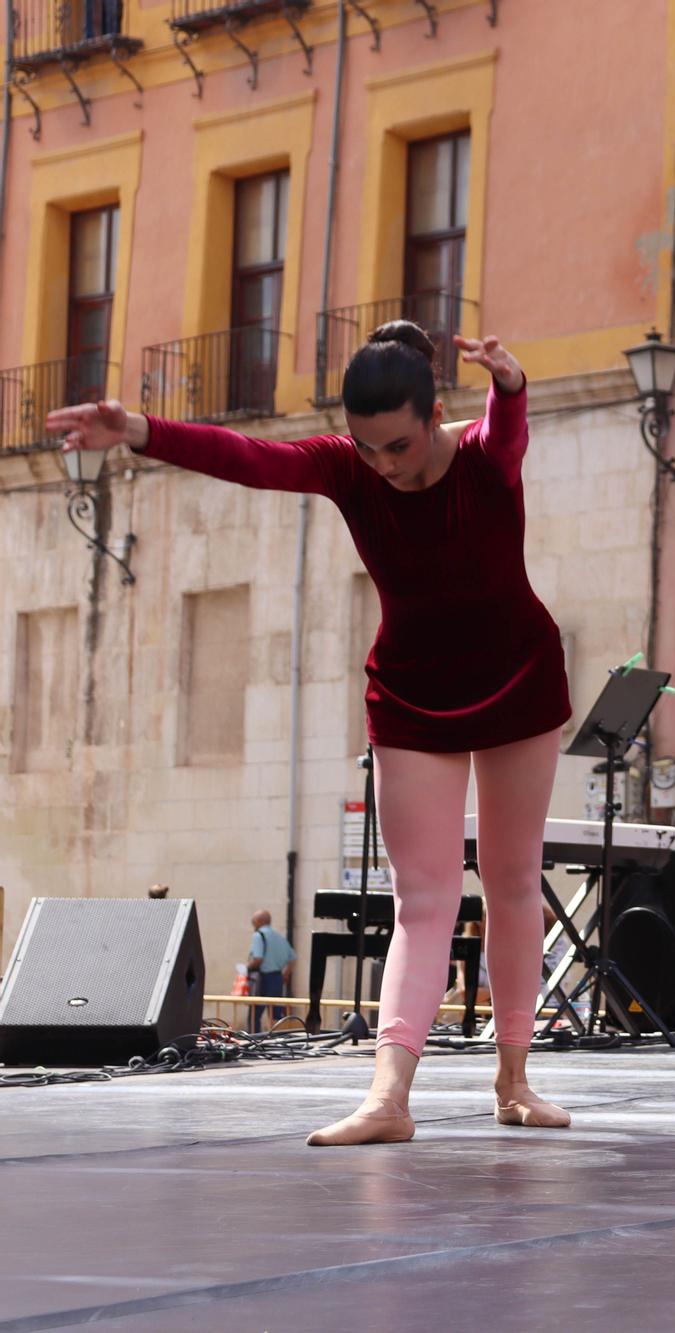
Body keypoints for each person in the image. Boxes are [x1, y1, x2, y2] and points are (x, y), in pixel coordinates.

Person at [53, 324, 572, 1146]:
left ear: (439, 412)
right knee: (423, 897)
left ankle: (514, 1079)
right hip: (411, 693)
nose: (383, 466)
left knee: (513, 882)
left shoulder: (481, 460)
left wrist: (511, 383)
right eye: (367, 449)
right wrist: (140, 432)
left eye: (398, 445)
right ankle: (388, 1097)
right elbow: (251, 460)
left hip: (516, 678)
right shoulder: (348, 471)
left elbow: (510, 429)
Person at [245, 910, 296, 1034]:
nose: (253, 924)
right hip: (277, 978)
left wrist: (247, 968)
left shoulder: (259, 935)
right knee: (276, 1014)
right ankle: (279, 1040)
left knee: (254, 1014)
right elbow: (293, 958)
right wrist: (286, 974)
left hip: (262, 979)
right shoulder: (279, 937)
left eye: (254, 921)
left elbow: (258, 959)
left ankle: (254, 1040)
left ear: (259, 921)